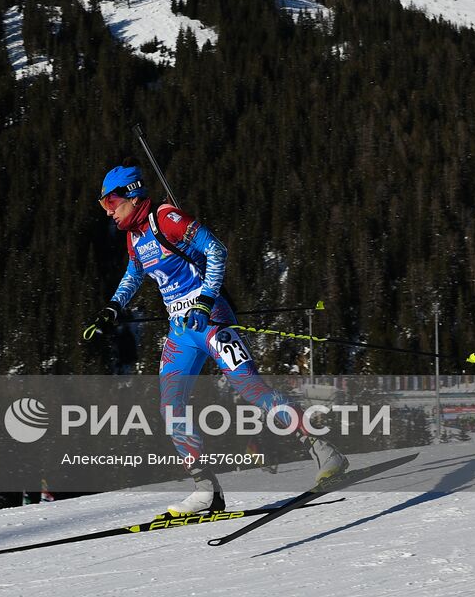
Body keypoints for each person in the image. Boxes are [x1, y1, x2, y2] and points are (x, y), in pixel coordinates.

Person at [87, 160, 348, 514]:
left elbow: (216, 250)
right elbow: (132, 276)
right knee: (171, 407)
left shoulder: (165, 218)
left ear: (132, 195)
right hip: (181, 331)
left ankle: (324, 451)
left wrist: (206, 299)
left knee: (250, 387)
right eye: (103, 205)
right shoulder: (134, 238)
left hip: (211, 320)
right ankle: (206, 490)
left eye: (110, 202)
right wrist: (112, 308)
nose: (107, 212)